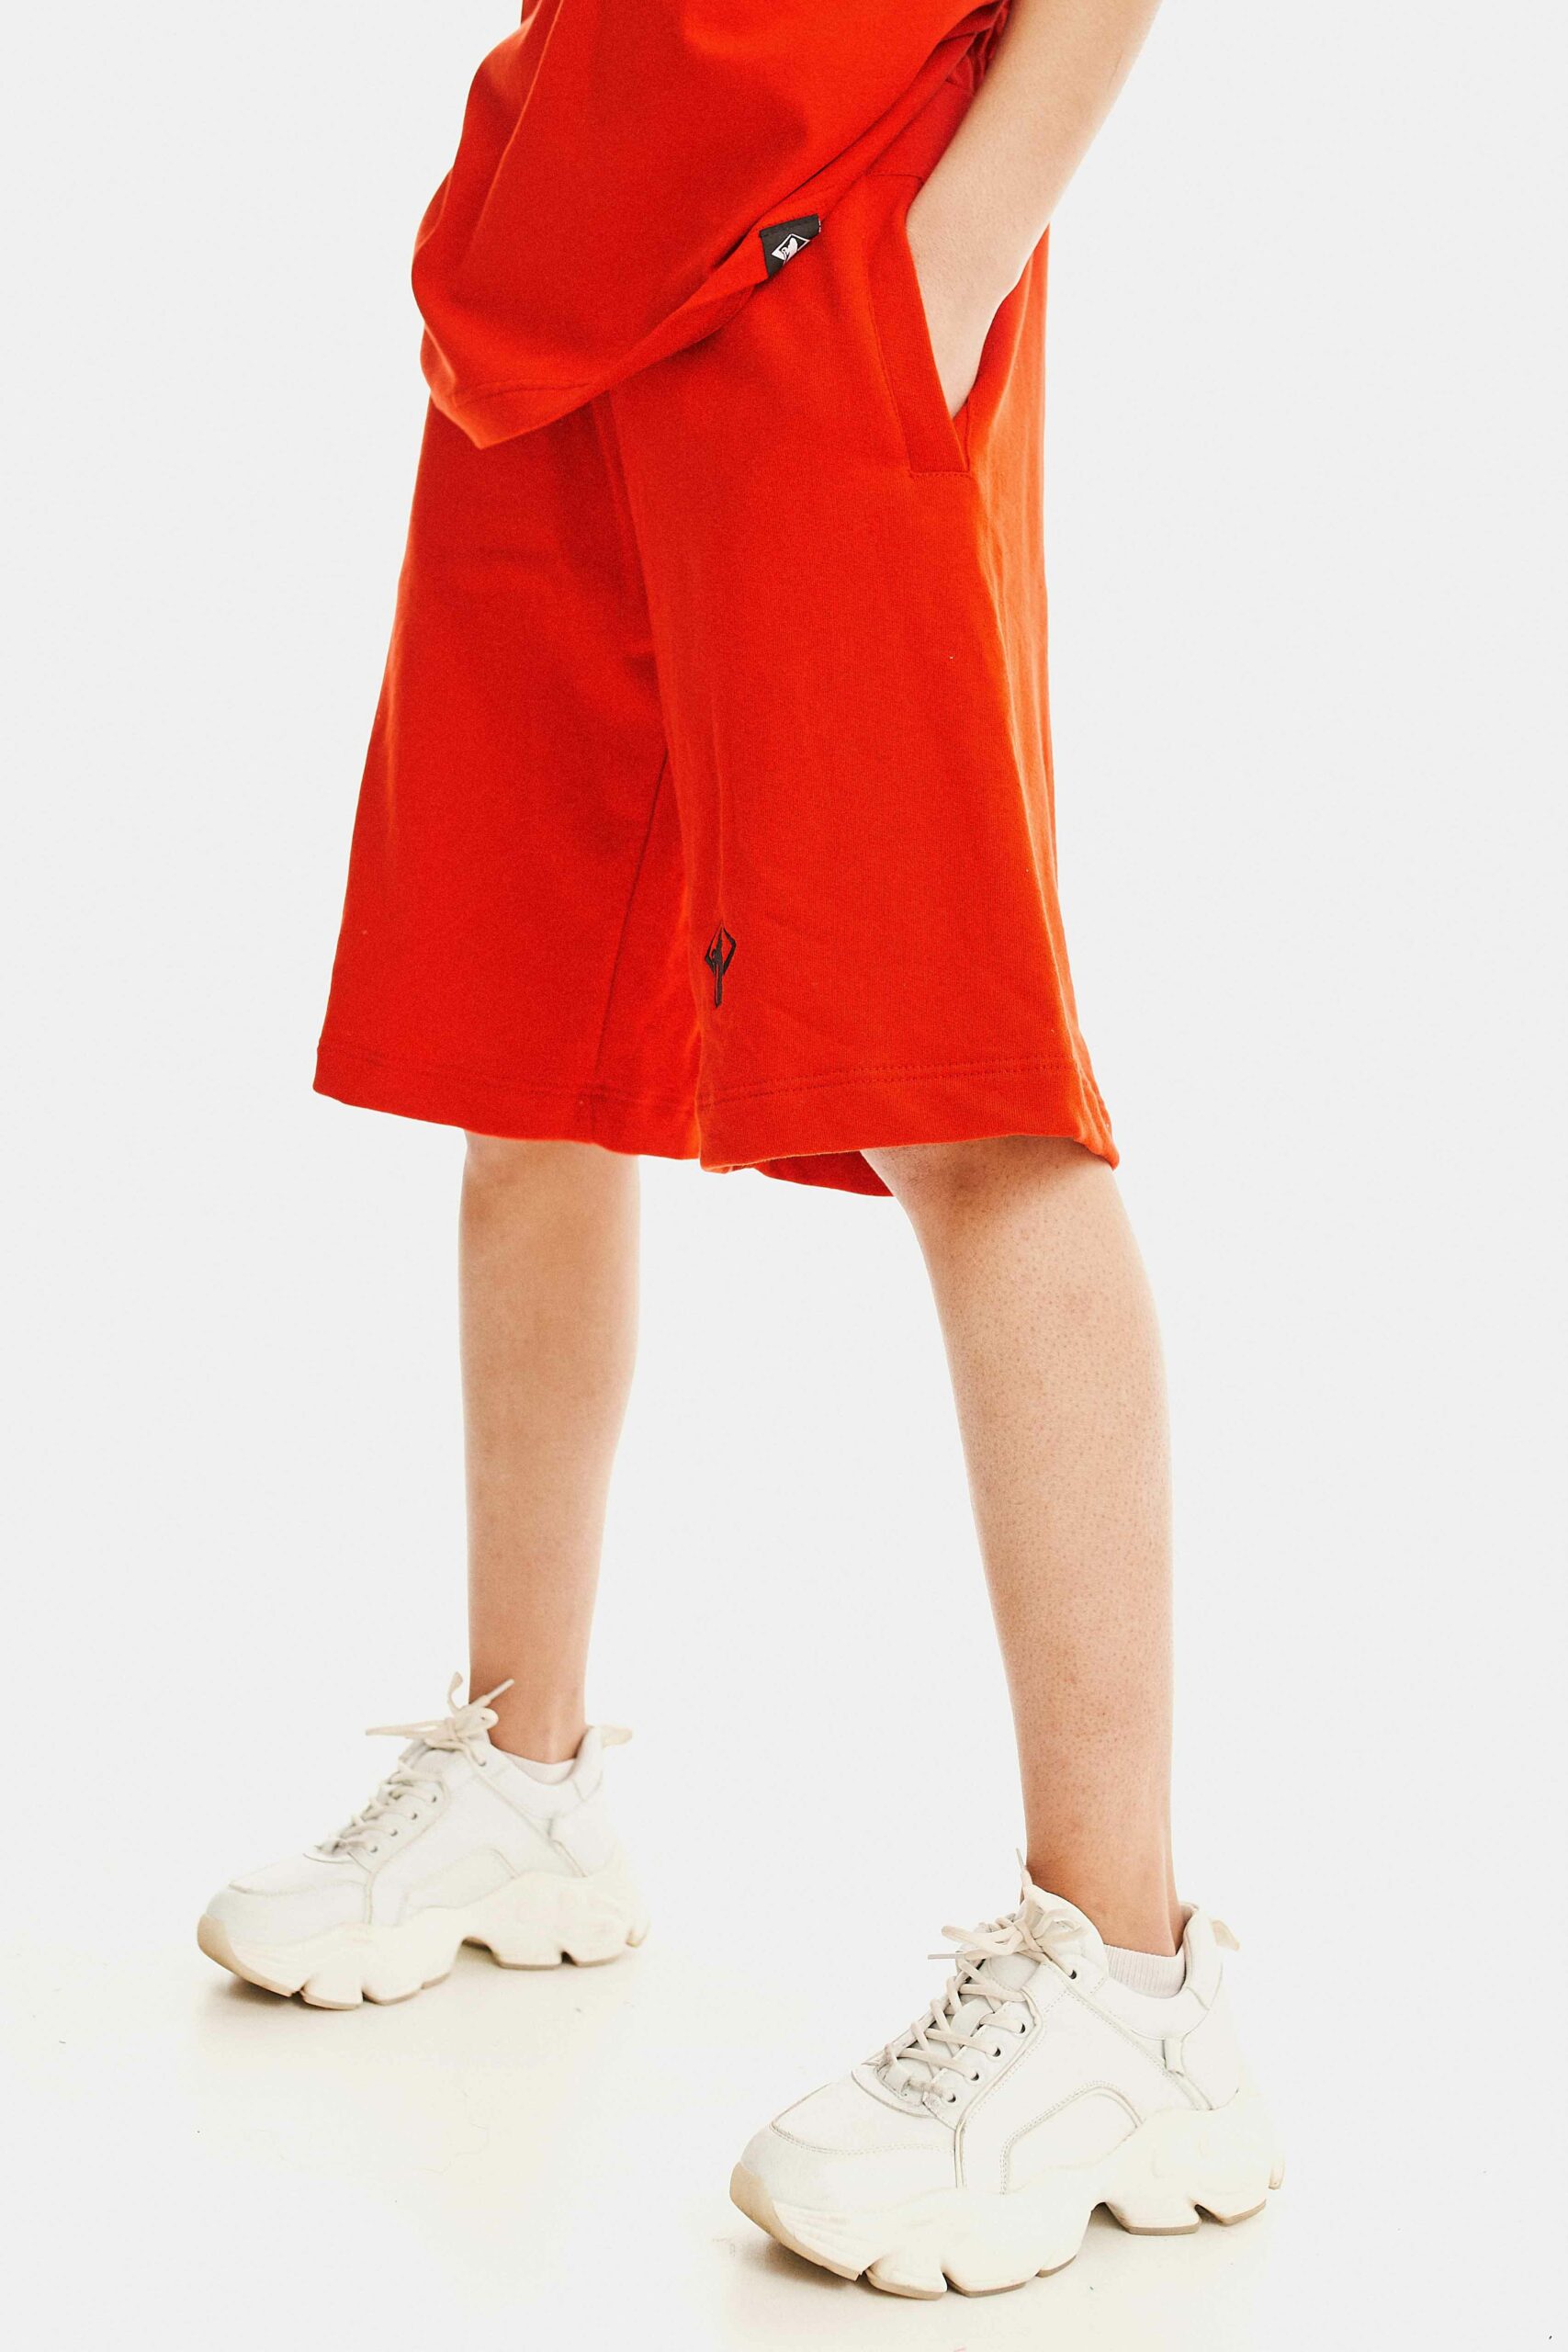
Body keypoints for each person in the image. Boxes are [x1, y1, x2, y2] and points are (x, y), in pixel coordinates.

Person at [198, 0, 1280, 2297]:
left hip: (838, 236)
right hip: (556, 254)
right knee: (524, 1038)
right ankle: (524, 1775)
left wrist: (949, 254)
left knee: (959, 1075)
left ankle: (1128, 1983)